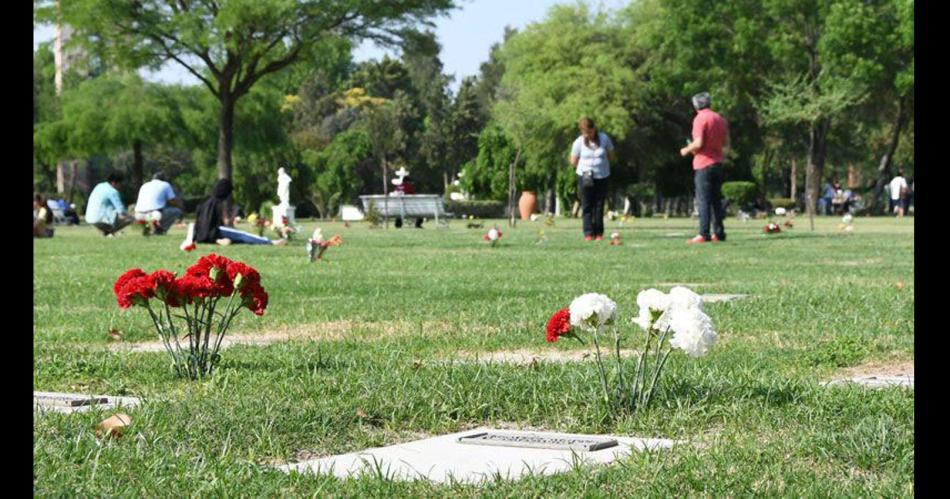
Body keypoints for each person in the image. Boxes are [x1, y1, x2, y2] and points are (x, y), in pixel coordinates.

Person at [680, 92, 728, 244]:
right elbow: (725, 142)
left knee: (703, 200)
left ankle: (704, 233)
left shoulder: (700, 118)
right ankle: (719, 233)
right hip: (718, 162)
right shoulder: (719, 119)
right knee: (715, 200)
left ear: (696, 105)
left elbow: (699, 143)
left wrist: (686, 149)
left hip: (703, 163)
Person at [194, 179, 287, 246]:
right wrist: (234, 212)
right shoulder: (216, 204)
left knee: (238, 237)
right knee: (242, 235)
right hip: (215, 232)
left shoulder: (206, 203)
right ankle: (270, 242)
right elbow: (220, 223)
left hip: (205, 235)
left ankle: (220, 241)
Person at [570, 117, 616, 241]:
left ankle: (599, 233)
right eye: (584, 132)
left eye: (589, 132)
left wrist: (601, 164)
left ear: (594, 129)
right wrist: (586, 167)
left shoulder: (604, 138)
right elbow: (573, 161)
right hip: (585, 176)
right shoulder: (579, 142)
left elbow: (611, 155)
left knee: (599, 205)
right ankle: (588, 233)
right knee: (587, 205)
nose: (587, 135)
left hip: (602, 176)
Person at [84, 172, 134, 236]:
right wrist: (133, 217)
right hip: (100, 219)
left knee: (112, 211)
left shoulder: (99, 186)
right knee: (128, 219)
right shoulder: (113, 191)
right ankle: (110, 232)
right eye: (120, 184)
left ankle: (106, 233)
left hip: (89, 217)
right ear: (114, 183)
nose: (120, 186)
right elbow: (121, 211)